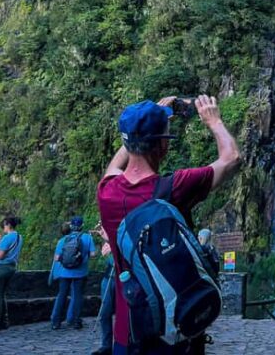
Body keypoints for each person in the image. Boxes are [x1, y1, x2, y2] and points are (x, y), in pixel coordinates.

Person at [97, 95, 241, 355]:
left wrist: (138, 130)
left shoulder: (106, 193)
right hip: (177, 331)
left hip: (128, 334)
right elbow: (231, 158)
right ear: (163, 146)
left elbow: (114, 167)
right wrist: (214, 120)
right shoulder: (175, 187)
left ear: (126, 142)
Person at [51, 216, 96, 330]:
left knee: (62, 295)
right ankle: (76, 321)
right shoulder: (87, 238)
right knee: (77, 296)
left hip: (64, 272)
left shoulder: (63, 240)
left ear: (71, 226)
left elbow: (56, 258)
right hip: (80, 272)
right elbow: (93, 255)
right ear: (82, 226)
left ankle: (56, 322)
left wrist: (65, 259)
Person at [92, 224, 114, 355]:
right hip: (108, 277)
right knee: (105, 313)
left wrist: (112, 245)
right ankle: (106, 345)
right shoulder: (106, 243)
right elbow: (104, 260)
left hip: (122, 278)